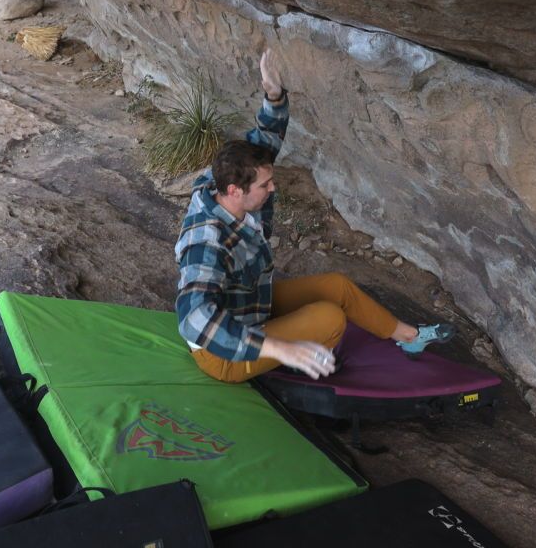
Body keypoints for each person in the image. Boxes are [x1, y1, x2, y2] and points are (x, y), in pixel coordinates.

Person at [175, 49, 454, 383]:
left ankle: (410, 337)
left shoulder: (221, 180)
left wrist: (273, 96)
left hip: (250, 305)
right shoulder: (205, 240)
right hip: (223, 356)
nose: (273, 188)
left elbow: (264, 141)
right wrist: (278, 348)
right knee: (330, 318)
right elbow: (194, 319)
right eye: (265, 185)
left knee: (337, 287)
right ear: (235, 190)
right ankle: (300, 364)